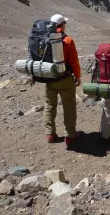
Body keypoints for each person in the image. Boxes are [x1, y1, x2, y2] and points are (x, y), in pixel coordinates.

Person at [43, 14, 81, 149]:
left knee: (49, 105)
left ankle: (50, 134)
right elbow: (74, 62)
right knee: (69, 106)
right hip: (65, 79)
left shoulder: (44, 38)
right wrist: (78, 77)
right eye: (65, 23)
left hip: (48, 78)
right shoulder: (68, 40)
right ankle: (70, 135)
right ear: (62, 25)